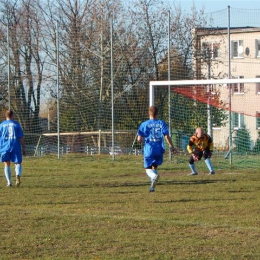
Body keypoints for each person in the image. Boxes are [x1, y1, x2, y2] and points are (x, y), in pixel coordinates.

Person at [137, 106, 175, 192]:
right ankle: (152, 188)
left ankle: (153, 177)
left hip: (149, 149)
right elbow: (166, 136)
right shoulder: (161, 123)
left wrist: (143, 141)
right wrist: (172, 146)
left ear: (149, 113)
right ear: (157, 113)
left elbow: (139, 139)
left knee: (147, 168)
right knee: (154, 167)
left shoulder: (144, 124)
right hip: (159, 149)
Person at [0, 110, 26, 187]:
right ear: (12, 116)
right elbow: (21, 137)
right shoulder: (16, 124)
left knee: (6, 164)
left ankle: (9, 182)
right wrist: (23, 147)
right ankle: (17, 175)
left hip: (5, 146)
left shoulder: (1, 125)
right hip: (15, 145)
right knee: (18, 163)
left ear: (6, 116)